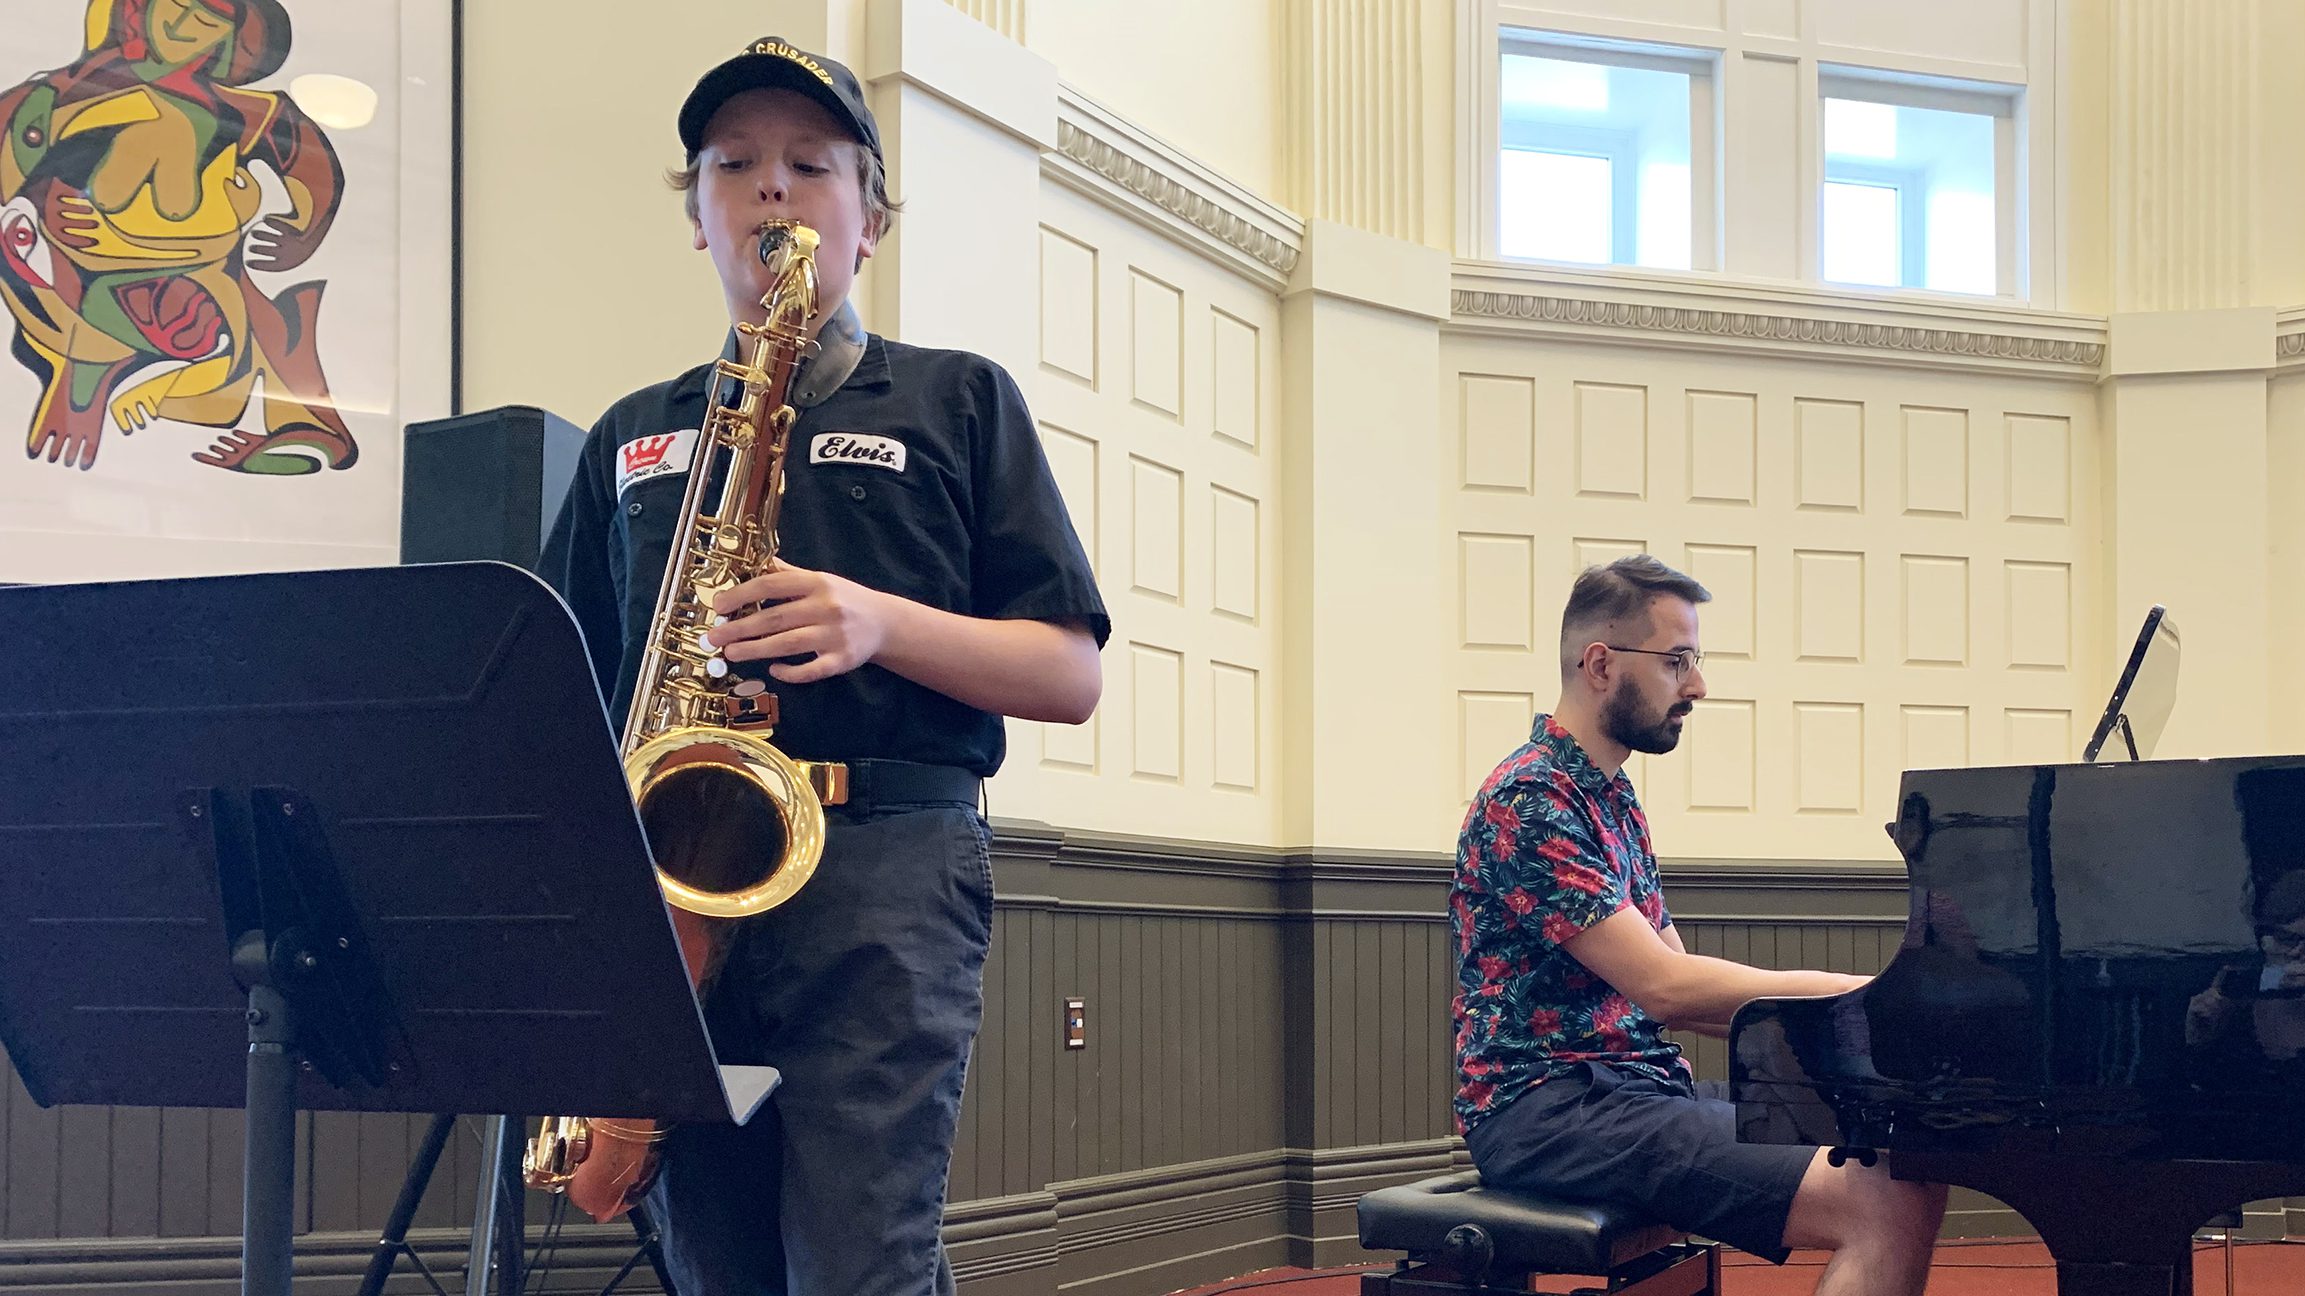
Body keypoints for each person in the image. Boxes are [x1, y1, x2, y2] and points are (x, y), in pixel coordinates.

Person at [537, 35, 1108, 1296]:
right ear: (697, 216)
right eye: (732, 165)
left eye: (810, 163)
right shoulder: (634, 434)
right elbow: (566, 692)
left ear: (874, 217)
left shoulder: (961, 401)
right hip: (681, 877)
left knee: (862, 1257)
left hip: (888, 862)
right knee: (713, 1259)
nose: (771, 190)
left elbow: (1069, 675)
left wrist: (878, 623)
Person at [1451, 555, 1944, 1296]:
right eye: (1677, 661)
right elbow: (1670, 991)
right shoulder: (1530, 799)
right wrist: (1873, 997)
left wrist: (1860, 1027)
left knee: (1902, 1153)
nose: (1697, 685)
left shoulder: (1607, 797)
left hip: (1633, 1090)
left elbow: (1687, 985)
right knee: (1879, 1200)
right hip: (1549, 1109)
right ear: (1599, 663)